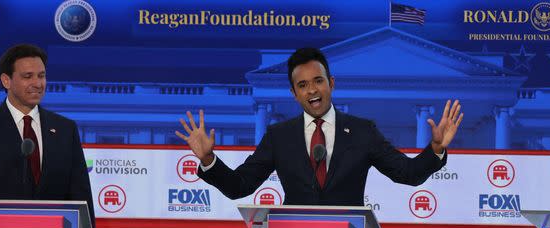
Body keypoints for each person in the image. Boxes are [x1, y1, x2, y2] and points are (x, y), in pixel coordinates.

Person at [175, 47, 463, 206]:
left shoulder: (363, 132)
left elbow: (407, 174)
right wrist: (209, 161)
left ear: (331, 84)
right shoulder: (279, 137)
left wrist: (436, 148)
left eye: (318, 81)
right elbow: (240, 186)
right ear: (294, 93)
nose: (312, 90)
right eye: (302, 85)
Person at [0, 43, 94, 228]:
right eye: (28, 76)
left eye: (41, 76)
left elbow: (81, 194)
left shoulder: (65, 129)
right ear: (6, 81)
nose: (38, 83)